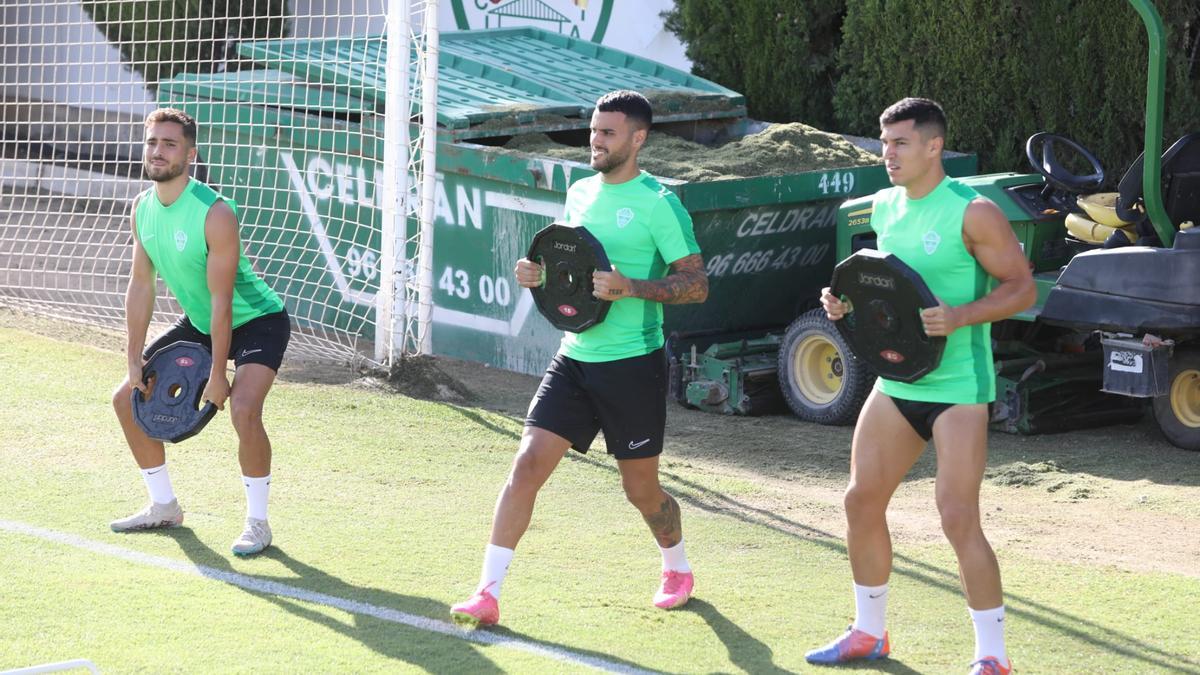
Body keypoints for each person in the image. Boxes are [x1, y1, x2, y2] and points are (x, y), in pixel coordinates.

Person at [450, 90, 708, 627]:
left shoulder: (661, 203)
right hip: (574, 357)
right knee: (526, 465)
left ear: (638, 138)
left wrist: (630, 285)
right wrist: (536, 276)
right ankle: (487, 592)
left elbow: (697, 285)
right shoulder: (581, 191)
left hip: (632, 364)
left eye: (608, 132)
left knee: (641, 489)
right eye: (593, 130)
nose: (596, 139)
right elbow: (569, 271)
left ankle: (676, 567)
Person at [808, 98, 1035, 675]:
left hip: (958, 386)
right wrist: (843, 304)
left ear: (934, 147)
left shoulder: (974, 212)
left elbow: (1022, 289)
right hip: (897, 383)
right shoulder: (883, 207)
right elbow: (883, 288)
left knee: (957, 515)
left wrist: (959, 315)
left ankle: (992, 656)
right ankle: (868, 633)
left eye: (900, 143)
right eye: (884, 143)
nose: (888, 154)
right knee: (860, 500)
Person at [109, 107, 290, 557]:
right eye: (152, 141)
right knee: (124, 398)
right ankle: (163, 505)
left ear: (189, 155)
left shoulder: (215, 214)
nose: (157, 151)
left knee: (243, 408)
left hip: (257, 320)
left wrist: (216, 376)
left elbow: (223, 302)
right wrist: (133, 356)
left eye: (169, 144)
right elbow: (140, 285)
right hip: (201, 322)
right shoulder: (143, 209)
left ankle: (257, 522)